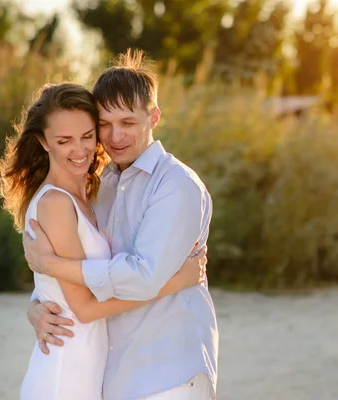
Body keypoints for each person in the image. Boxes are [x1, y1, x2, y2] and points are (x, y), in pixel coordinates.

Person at [23, 50, 218, 400]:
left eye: (127, 123)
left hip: (167, 373)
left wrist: (53, 265)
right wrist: (36, 307)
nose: (115, 137)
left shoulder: (176, 186)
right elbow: (75, 280)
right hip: (113, 377)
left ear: (154, 117)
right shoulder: (101, 186)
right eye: (105, 124)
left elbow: (144, 276)